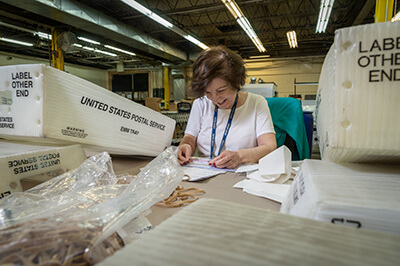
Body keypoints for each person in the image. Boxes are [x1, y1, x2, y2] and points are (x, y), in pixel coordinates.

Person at [177, 46, 277, 169]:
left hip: (241, 174)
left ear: (236, 82)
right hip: (204, 171)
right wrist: (186, 146)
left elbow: (269, 147)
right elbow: (189, 137)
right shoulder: (200, 103)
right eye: (208, 92)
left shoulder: (256, 103)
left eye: (221, 90)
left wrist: (239, 156)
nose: (215, 98)